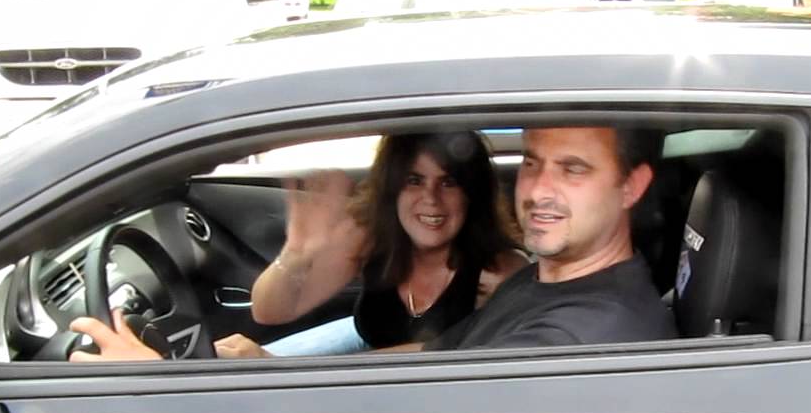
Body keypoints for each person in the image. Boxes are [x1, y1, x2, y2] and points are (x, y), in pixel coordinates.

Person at [70, 125, 676, 361]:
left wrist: (170, 392)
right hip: (378, 349)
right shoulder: (544, 281)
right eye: (534, 163)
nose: (539, 189)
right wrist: (298, 259)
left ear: (632, 186)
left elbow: (417, 405)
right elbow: (434, 354)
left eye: (573, 169)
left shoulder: (560, 322)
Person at [250, 130, 526, 356]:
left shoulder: (499, 271)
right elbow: (268, 312)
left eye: (448, 183)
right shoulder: (371, 240)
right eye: (414, 180)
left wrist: (301, 371)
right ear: (393, 190)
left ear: (471, 195)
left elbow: (449, 353)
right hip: (370, 353)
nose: (431, 199)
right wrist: (296, 253)